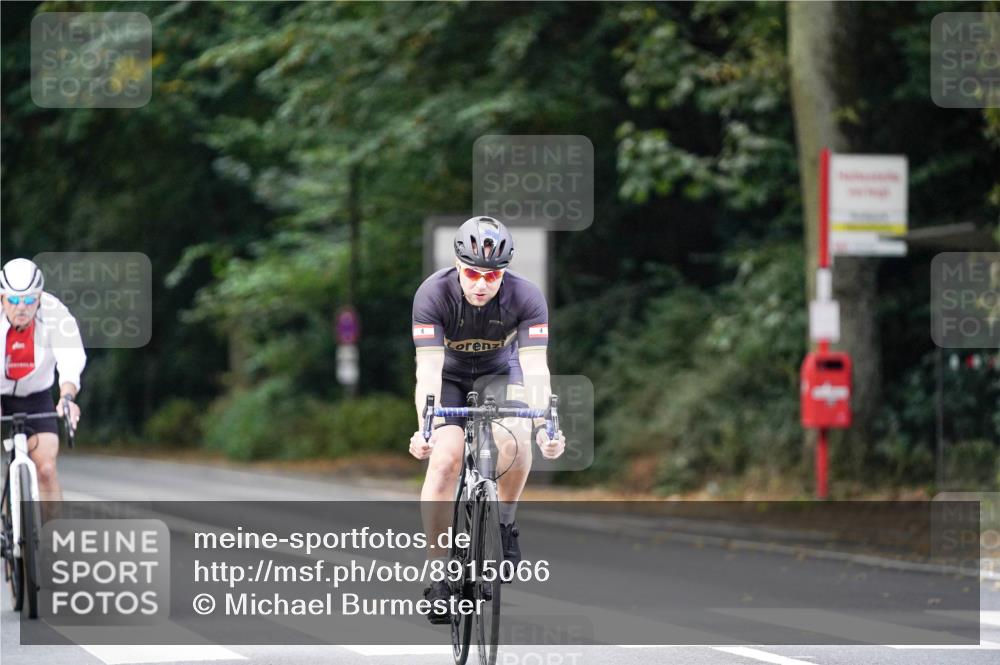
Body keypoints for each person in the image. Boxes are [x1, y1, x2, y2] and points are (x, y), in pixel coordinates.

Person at [409, 216, 565, 624]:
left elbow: (535, 368)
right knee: (446, 460)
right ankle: (439, 577)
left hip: (501, 373)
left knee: (515, 438)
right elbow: (427, 369)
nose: (481, 284)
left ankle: (506, 524)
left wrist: (545, 423)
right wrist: (424, 426)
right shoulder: (432, 294)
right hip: (449, 377)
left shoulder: (527, 297)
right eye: (473, 273)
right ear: (458, 267)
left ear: (504, 273)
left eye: (492, 275)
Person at [1, 258, 85, 516]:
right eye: (14, 300)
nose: (22, 307)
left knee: (46, 470)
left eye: (29, 299)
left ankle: (54, 541)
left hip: (36, 396)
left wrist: (67, 397)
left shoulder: (55, 312)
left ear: (39, 296)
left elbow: (71, 358)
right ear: (2, 298)